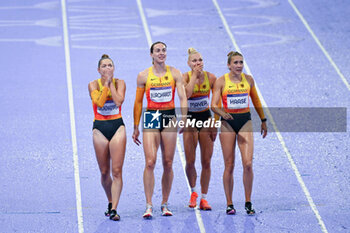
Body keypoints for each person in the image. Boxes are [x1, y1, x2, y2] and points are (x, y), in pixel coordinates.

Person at [132, 41, 187, 219]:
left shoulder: (175, 73)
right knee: (150, 161)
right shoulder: (143, 76)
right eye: (157, 51)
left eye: (163, 50)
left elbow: (182, 96)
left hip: (169, 116)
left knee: (168, 163)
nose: (161, 53)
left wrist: (184, 117)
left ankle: (164, 203)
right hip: (151, 117)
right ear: (151, 55)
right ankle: (149, 205)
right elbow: (138, 102)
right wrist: (135, 125)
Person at [211, 51, 267, 215]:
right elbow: (214, 104)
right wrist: (222, 114)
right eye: (235, 63)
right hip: (227, 124)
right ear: (229, 65)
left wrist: (263, 120)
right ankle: (229, 203)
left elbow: (256, 100)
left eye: (241, 62)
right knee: (229, 165)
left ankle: (248, 202)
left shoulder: (249, 80)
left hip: (245, 121)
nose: (239, 65)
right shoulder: (221, 81)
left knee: (248, 164)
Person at [88, 54, 126, 221]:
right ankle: (110, 201)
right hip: (100, 128)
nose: (107, 68)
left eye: (110, 65)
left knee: (116, 171)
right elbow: (100, 103)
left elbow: (118, 102)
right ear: (98, 70)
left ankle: (115, 209)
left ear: (114, 68)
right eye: (104, 66)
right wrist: (106, 85)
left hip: (117, 126)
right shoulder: (92, 85)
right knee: (104, 172)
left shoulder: (120, 83)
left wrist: (111, 85)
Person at [182, 48, 220, 210]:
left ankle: (204, 198)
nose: (198, 63)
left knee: (206, 161)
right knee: (190, 161)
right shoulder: (184, 77)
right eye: (194, 61)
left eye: (200, 60)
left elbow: (217, 104)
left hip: (206, 119)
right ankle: (193, 192)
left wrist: (216, 124)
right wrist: (194, 77)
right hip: (190, 120)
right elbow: (187, 95)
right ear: (189, 64)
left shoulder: (211, 78)